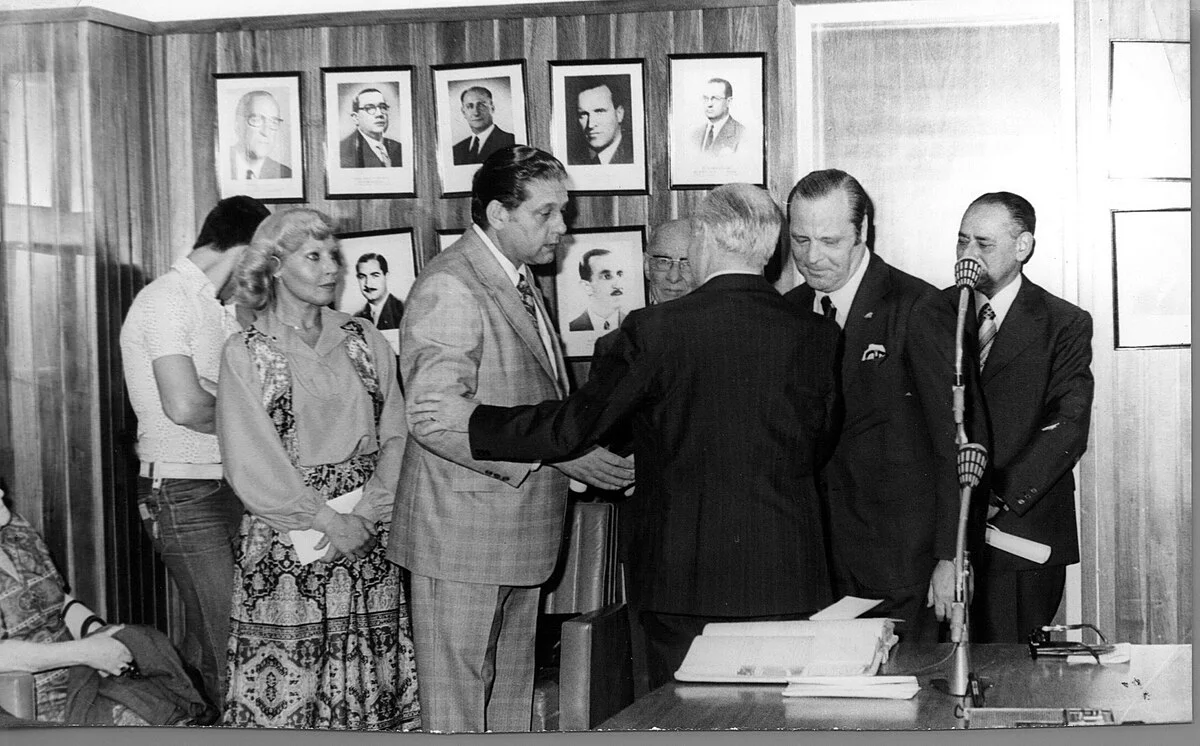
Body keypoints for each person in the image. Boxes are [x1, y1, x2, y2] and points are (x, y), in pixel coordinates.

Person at [410, 183, 841, 690]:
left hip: (683, 577)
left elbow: (574, 427)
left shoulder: (655, 329)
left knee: (682, 720)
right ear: (771, 248)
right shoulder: (819, 333)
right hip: (789, 573)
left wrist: (474, 421)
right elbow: (822, 443)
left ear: (703, 238)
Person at [391, 145, 634, 733]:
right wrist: (557, 451)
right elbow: (436, 418)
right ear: (498, 213)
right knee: (458, 716)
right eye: (546, 213)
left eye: (563, 211)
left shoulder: (516, 277)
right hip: (462, 538)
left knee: (508, 704)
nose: (562, 227)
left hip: (513, 533)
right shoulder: (452, 285)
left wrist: (567, 452)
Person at [215, 208, 420, 731]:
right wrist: (326, 519)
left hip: (368, 538)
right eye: (315, 256)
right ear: (277, 266)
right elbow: (251, 459)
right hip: (289, 543)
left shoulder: (365, 340)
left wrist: (369, 514)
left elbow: (397, 433)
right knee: (291, 694)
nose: (332, 268)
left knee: (370, 682)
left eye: (335, 257)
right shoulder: (246, 353)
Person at [784, 168, 975, 643]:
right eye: (800, 239)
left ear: (862, 231)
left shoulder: (919, 307)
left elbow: (957, 442)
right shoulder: (784, 313)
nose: (813, 257)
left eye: (830, 240)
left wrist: (951, 556)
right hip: (811, 565)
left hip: (900, 567)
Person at [118, 195, 270, 710]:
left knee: (225, 643)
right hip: (181, 492)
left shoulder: (219, 307)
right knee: (236, 645)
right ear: (246, 248)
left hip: (230, 484)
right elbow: (185, 404)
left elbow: (229, 392)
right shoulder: (163, 300)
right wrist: (251, 417)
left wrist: (228, 399)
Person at [951, 192, 1093, 643]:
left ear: (1023, 246)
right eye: (962, 242)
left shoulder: (1063, 323)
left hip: (1020, 533)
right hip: (945, 538)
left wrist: (993, 495)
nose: (968, 256)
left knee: (1015, 678)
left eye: (983, 244)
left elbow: (1068, 424)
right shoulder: (934, 314)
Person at [0, 487, 212, 726]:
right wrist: (87, 652)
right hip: (32, 699)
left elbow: (59, 603)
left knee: (168, 697)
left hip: (81, 672)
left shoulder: (17, 530)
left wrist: (103, 636)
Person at [568, 77, 632, 165]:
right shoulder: (571, 161)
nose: (590, 125)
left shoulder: (634, 157)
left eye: (599, 111)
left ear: (619, 114)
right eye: (583, 114)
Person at [229, 90, 291, 180]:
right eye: (256, 120)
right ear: (238, 125)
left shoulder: (286, 174)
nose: (265, 132)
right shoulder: (219, 165)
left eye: (273, 122)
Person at [339, 87, 404, 168]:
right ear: (356, 118)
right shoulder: (342, 151)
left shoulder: (399, 148)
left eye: (383, 107)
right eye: (370, 108)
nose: (379, 114)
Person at [451, 86, 516, 165]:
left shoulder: (511, 142)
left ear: (492, 108)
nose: (476, 113)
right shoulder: (456, 150)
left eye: (481, 105)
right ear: (463, 112)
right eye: (469, 106)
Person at [567, 249, 627, 332]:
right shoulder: (573, 327)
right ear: (587, 286)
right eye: (607, 276)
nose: (618, 285)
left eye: (619, 274)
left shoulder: (636, 325)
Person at [643, 218, 695, 304]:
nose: (673, 278)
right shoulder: (635, 317)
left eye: (687, 264)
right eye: (663, 262)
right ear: (647, 266)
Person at [692, 78, 744, 158]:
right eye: (706, 98)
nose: (709, 104)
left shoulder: (741, 135)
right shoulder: (695, 134)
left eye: (715, 98)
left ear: (728, 102)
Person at [353, 253, 404, 330]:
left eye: (375, 275)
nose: (368, 284)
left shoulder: (403, 311)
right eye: (362, 277)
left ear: (386, 276)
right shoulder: (356, 319)